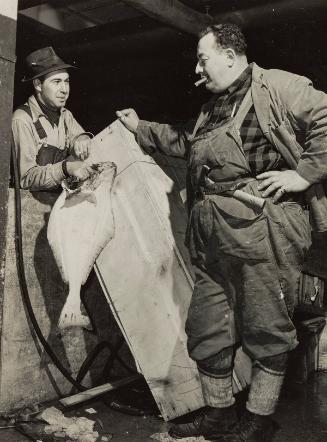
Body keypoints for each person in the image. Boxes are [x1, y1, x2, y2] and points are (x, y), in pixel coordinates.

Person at [114, 23, 327, 442]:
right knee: (208, 328)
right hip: (212, 238)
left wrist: (303, 175)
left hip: (265, 231)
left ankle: (259, 420)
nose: (197, 68)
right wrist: (140, 127)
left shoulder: (278, 87)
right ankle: (219, 416)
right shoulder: (213, 107)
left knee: (266, 330)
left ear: (230, 56)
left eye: (203, 58)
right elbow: (186, 144)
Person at [12, 46, 94, 190]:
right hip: (28, 207)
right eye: (56, 82)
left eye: (66, 81)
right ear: (38, 85)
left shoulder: (65, 115)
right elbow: (25, 179)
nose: (64, 89)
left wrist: (82, 138)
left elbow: (77, 138)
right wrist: (64, 169)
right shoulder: (22, 120)